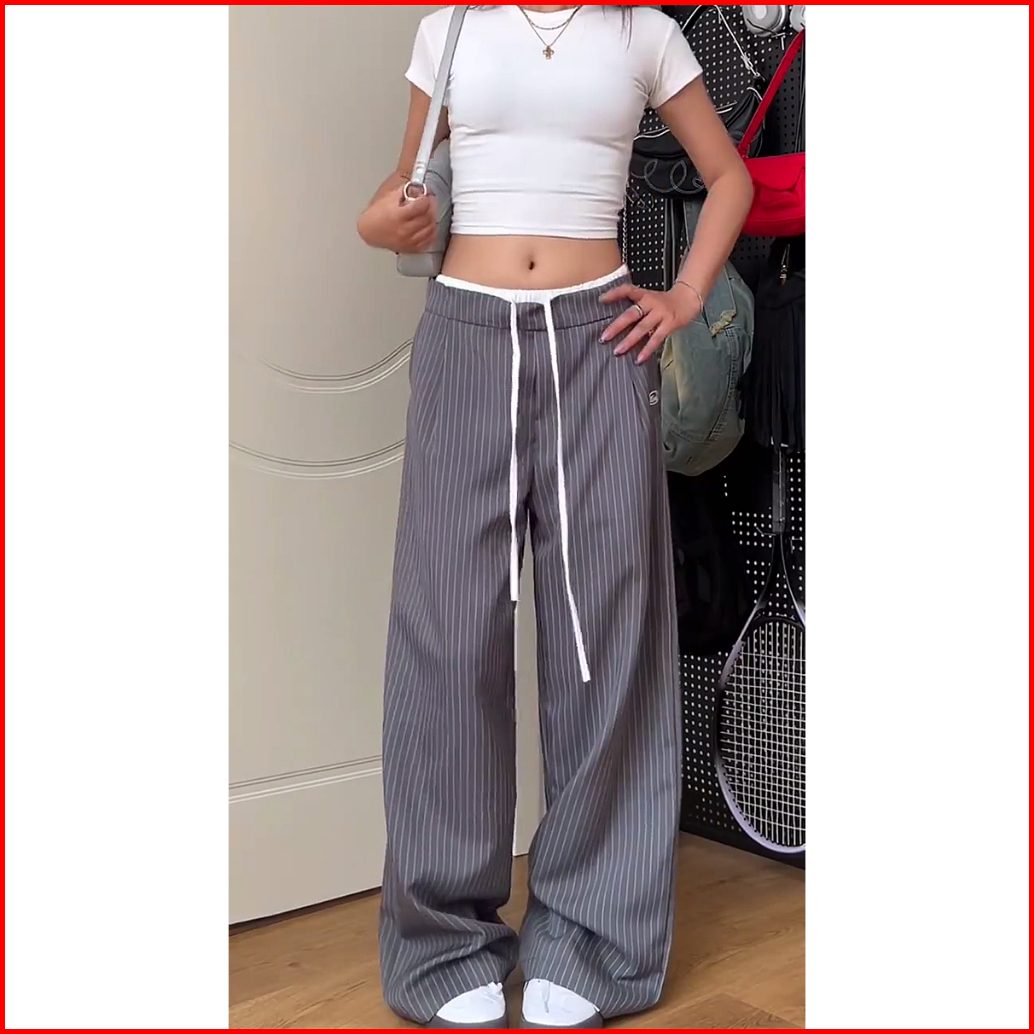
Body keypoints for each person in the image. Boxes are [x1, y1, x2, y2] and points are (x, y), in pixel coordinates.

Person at [357, 6, 752, 1029]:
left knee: (604, 639)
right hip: (465, 334)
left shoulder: (643, 34)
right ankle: (442, 942)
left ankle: (593, 935)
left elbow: (731, 179)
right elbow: (398, 195)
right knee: (446, 641)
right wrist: (381, 222)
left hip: (599, 341)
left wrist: (684, 295)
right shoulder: (449, 29)